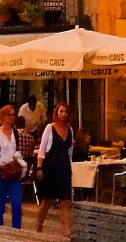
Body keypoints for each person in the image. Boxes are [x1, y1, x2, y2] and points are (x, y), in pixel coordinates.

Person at [35, 101, 74, 236]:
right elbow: (42, 148)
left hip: (64, 167)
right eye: (61, 111)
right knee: (48, 200)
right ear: (56, 113)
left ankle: (67, 232)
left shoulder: (70, 130)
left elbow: (70, 152)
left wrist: (70, 168)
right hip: (51, 166)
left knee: (66, 201)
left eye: (66, 112)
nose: (63, 114)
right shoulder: (50, 128)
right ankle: (39, 224)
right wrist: (39, 167)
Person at [0, 104, 24, 229]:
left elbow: (17, 150)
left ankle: (16, 230)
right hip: (0, 171)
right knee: (0, 204)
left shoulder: (15, 133)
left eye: (13, 115)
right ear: (2, 116)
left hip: (13, 171)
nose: (11, 117)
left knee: (17, 203)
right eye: (9, 115)